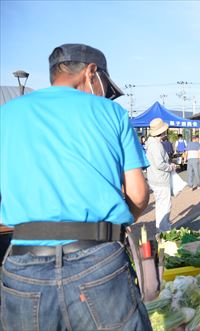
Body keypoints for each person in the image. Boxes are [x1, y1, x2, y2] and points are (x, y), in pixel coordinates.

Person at [0, 43, 152, 329]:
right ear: (91, 72)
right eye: (104, 84)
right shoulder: (111, 112)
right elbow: (139, 194)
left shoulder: (6, 114)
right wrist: (121, 222)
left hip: (24, 263)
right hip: (98, 258)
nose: (105, 92)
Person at [145, 118, 177, 231]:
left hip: (154, 179)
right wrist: (171, 167)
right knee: (165, 206)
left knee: (160, 206)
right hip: (161, 179)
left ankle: (161, 229)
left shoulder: (150, 144)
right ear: (162, 132)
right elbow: (160, 164)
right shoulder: (156, 145)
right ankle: (164, 230)